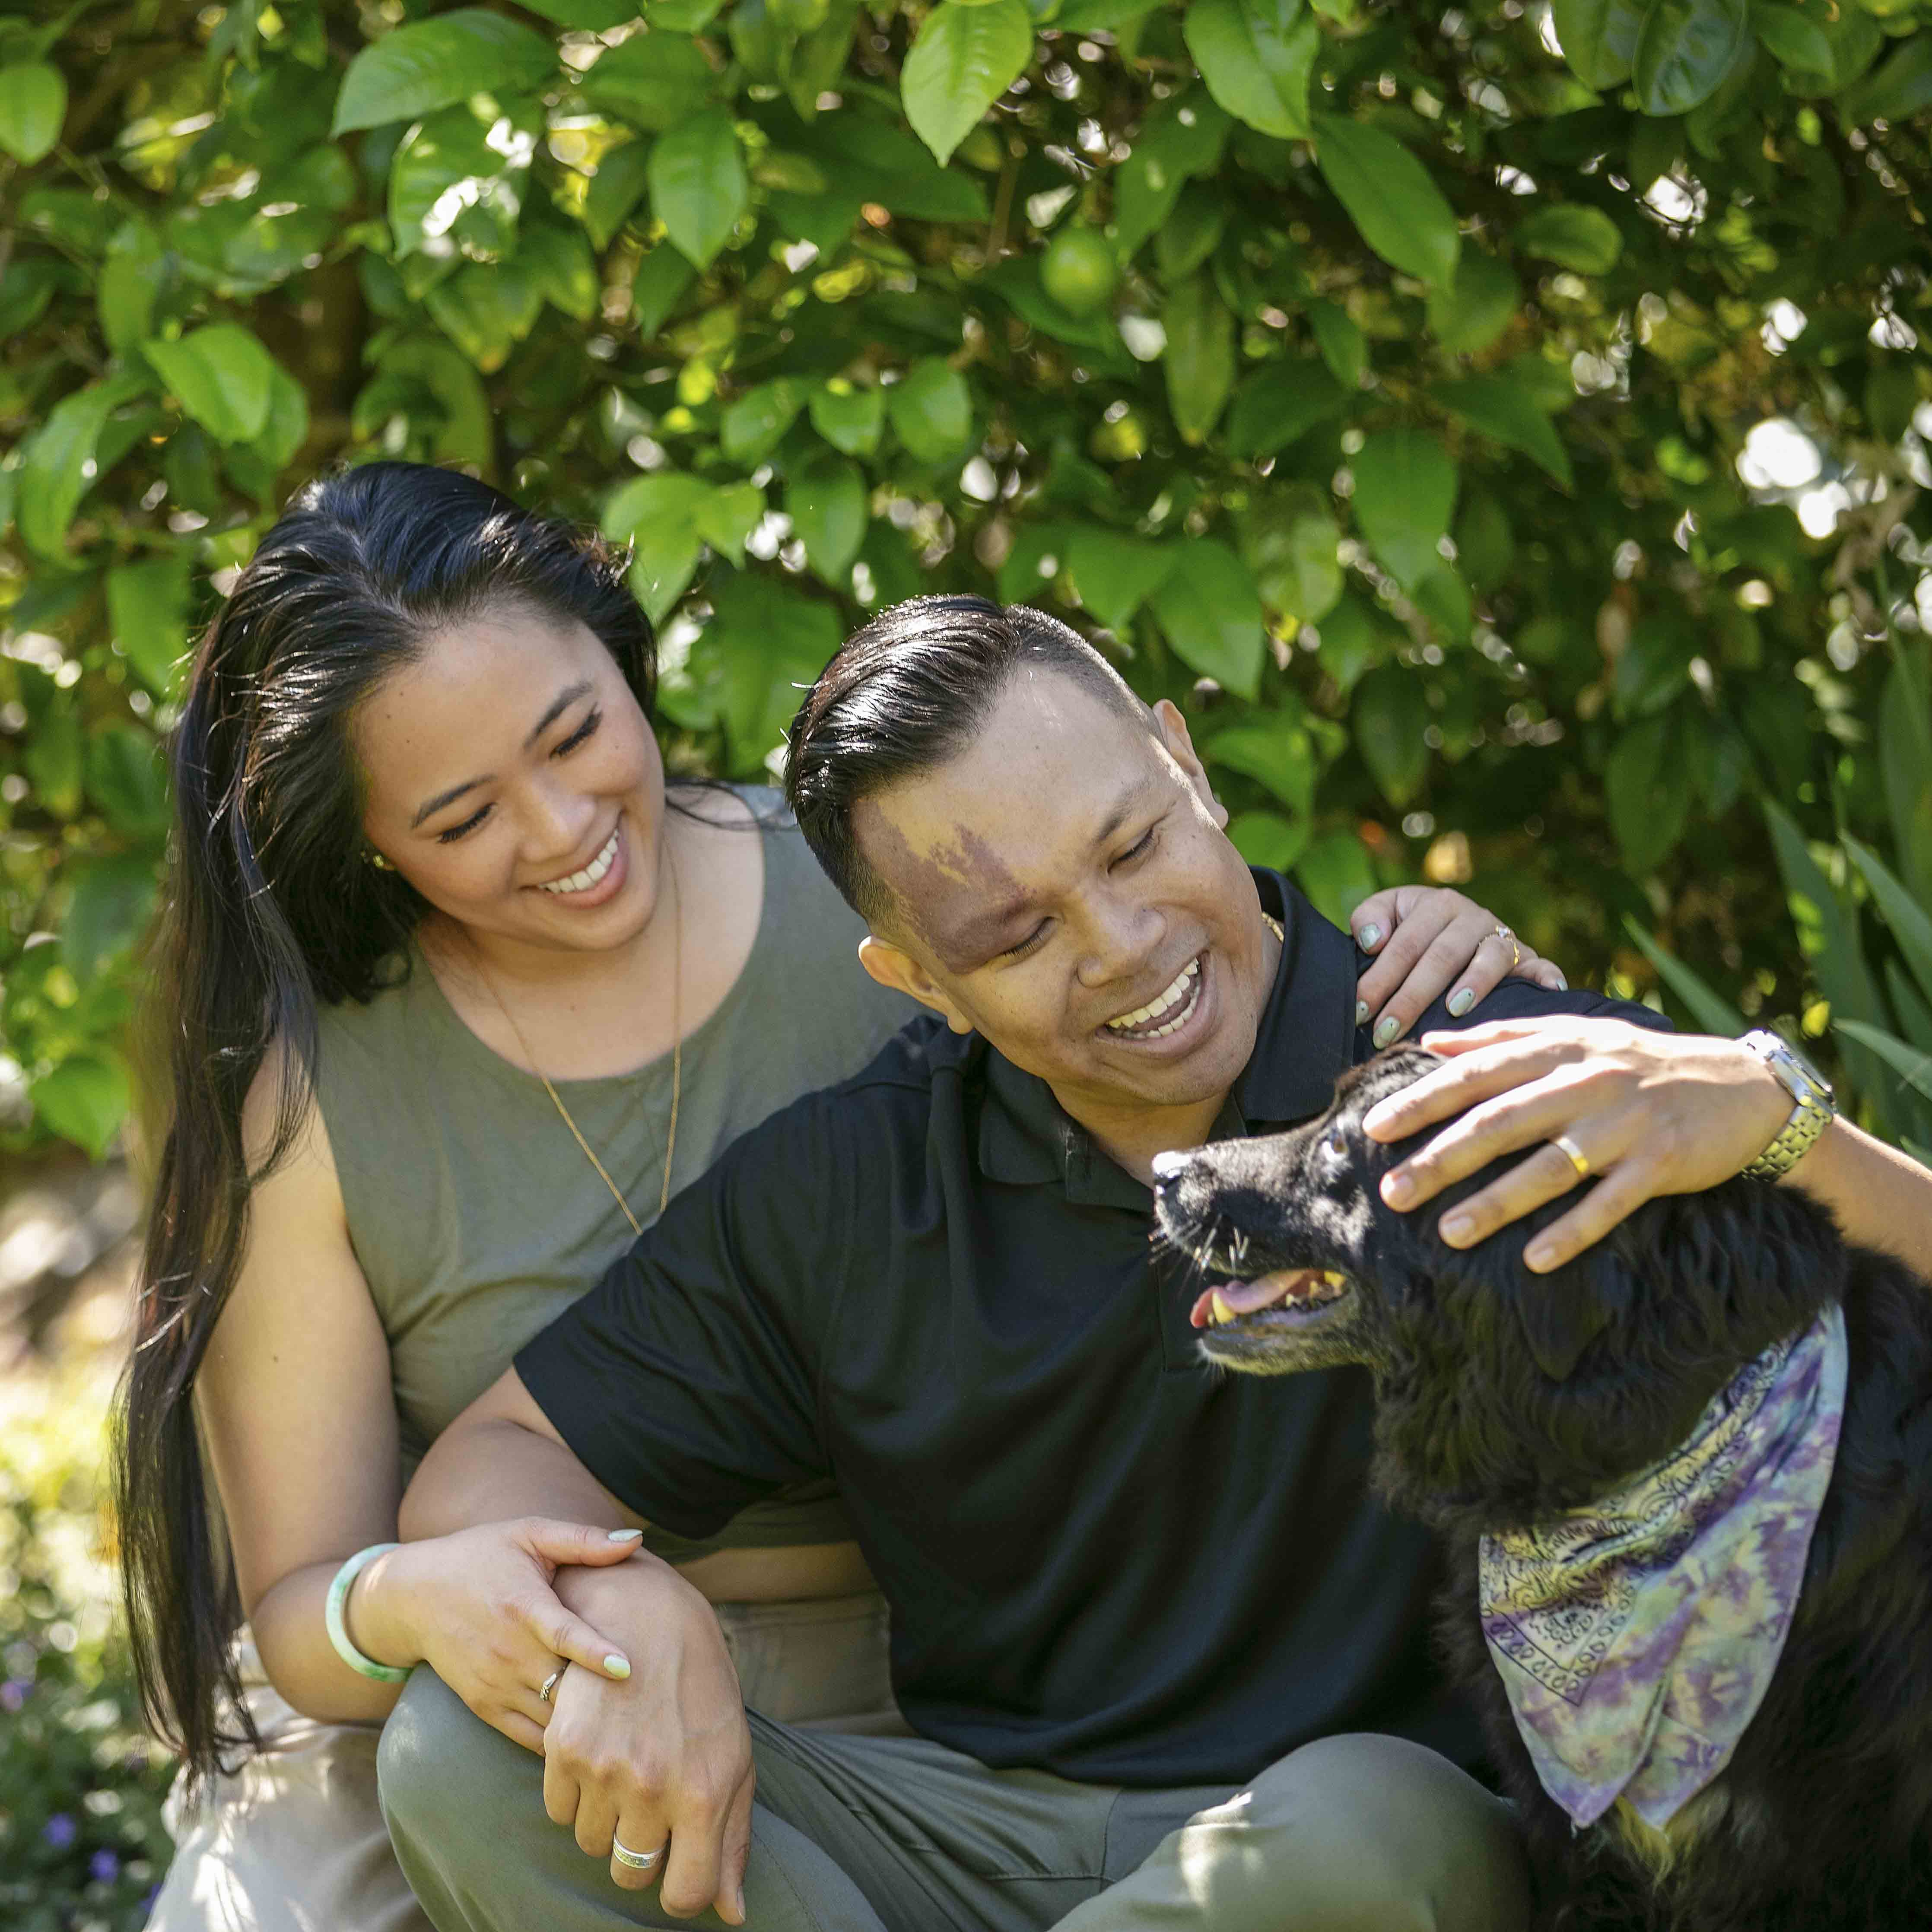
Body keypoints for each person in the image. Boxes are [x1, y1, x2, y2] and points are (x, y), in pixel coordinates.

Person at [118, 473, 1546, 1932]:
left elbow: (1168, 925)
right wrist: (591, 1599)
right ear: (364, 835)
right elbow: (335, 1580)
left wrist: (1448, 967)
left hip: (924, 1668)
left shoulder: (901, 878)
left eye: (574, 735)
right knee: (437, 1763)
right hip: (589, 1662)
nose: (558, 830)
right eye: (465, 812)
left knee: (1362, 1829)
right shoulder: (320, 1099)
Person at [379, 594, 1744, 1932]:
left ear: (1184, 763)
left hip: (1356, 1862)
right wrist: (620, 1592)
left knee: (1368, 1822)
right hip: (976, 1848)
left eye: (1134, 845)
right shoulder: (853, 1187)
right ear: (919, 981)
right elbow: (489, 1468)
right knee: (466, 1743)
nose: (1122, 944)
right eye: (1016, 936)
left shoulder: (1486, 1068)